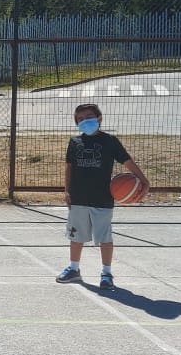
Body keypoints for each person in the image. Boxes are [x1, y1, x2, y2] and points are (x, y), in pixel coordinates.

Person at [56, 102, 149, 291]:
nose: (85, 121)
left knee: (104, 237)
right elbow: (69, 167)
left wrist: (143, 180)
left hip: (103, 198)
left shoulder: (110, 141)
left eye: (89, 117)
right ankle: (74, 269)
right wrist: (67, 191)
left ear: (99, 119)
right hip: (79, 197)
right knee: (76, 236)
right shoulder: (75, 142)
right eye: (80, 119)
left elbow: (127, 161)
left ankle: (106, 273)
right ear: (76, 123)